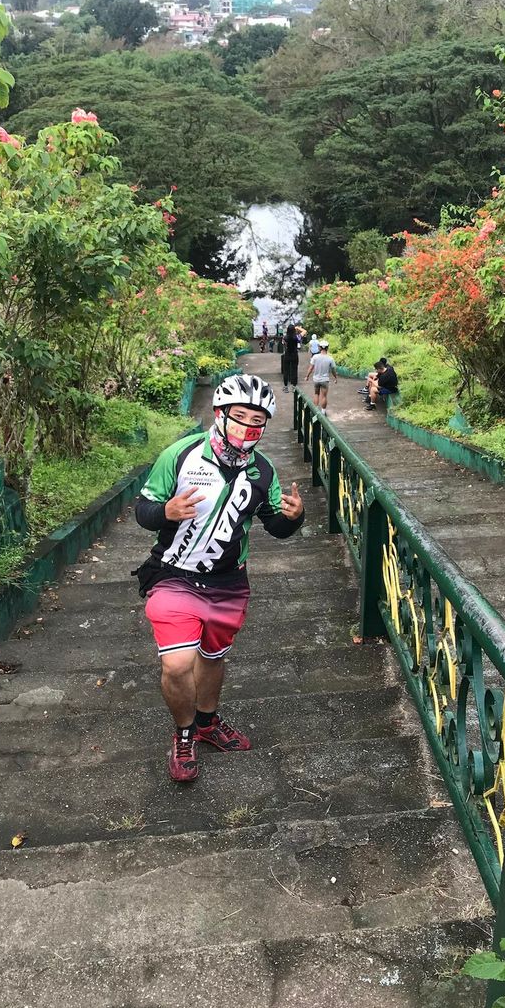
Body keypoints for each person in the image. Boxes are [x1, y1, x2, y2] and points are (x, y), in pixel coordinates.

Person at [134, 374, 305, 783]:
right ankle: (184, 734)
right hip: (174, 574)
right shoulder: (181, 454)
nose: (248, 427)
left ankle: (207, 723)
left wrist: (295, 518)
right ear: (219, 413)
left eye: (258, 421)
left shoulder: (263, 471)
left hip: (228, 582)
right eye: (239, 416)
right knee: (177, 664)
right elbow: (144, 509)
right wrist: (165, 513)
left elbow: (275, 526)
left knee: (213, 657)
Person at [306, 338, 337, 410]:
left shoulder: (315, 357)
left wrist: (307, 376)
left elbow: (311, 368)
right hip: (325, 380)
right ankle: (323, 412)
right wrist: (335, 377)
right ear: (327, 348)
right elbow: (333, 370)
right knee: (324, 396)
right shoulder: (330, 358)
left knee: (316, 394)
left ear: (319, 348)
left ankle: (316, 411)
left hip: (316, 379)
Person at [281, 323, 300, 392]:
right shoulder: (296, 337)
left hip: (287, 354)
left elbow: (283, 344)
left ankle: (286, 387)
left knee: (286, 371)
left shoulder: (285, 337)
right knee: (294, 370)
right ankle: (294, 387)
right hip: (294, 354)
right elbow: (299, 343)